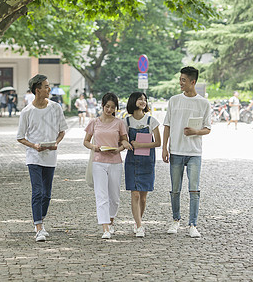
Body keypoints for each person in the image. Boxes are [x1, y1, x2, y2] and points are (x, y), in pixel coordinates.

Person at [17, 74, 68, 242]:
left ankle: (40, 219)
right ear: (37, 90)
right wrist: (34, 146)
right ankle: (38, 227)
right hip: (34, 157)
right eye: (46, 86)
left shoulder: (56, 108)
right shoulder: (27, 112)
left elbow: (62, 131)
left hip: (51, 156)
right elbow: (20, 137)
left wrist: (56, 143)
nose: (49, 89)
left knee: (47, 195)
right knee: (37, 192)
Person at [162, 66, 211, 238]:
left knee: (194, 189)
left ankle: (193, 224)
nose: (180, 83)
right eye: (180, 79)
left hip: (194, 153)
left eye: (184, 80)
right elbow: (167, 125)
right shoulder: (174, 100)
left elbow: (208, 129)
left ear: (193, 82)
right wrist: (164, 148)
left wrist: (195, 132)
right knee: (175, 189)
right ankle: (175, 220)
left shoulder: (204, 103)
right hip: (175, 151)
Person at [83, 93, 131, 239]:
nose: (109, 109)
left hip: (115, 161)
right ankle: (105, 228)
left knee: (114, 196)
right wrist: (94, 147)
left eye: (112, 107)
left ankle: (111, 221)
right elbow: (86, 141)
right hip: (98, 161)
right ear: (102, 106)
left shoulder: (119, 123)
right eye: (107, 106)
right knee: (101, 195)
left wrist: (121, 148)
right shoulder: (94, 122)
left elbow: (124, 140)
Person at [124, 92, 161, 238]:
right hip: (132, 161)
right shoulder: (126, 122)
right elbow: (121, 139)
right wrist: (125, 143)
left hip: (147, 161)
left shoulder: (151, 121)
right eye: (140, 99)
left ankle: (137, 221)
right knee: (135, 194)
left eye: (145, 100)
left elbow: (158, 143)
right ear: (133, 101)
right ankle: (139, 226)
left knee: (144, 197)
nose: (143, 102)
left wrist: (140, 144)